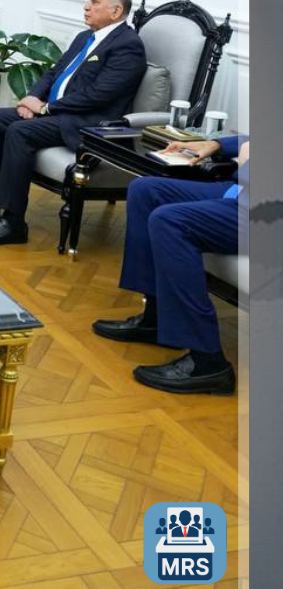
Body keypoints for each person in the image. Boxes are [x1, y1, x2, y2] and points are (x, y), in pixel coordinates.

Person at [0, 0, 147, 245]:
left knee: (19, 131)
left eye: (94, 2)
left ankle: (13, 222)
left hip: (86, 123)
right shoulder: (85, 37)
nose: (86, 6)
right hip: (57, 112)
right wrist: (31, 99)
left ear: (116, 11)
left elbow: (99, 95)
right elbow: (54, 72)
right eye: (88, 0)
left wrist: (47, 108)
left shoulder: (128, 46)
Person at [92, 135, 246, 395]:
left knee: (170, 221)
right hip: (240, 192)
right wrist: (218, 144)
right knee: (145, 190)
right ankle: (156, 319)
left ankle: (208, 362)